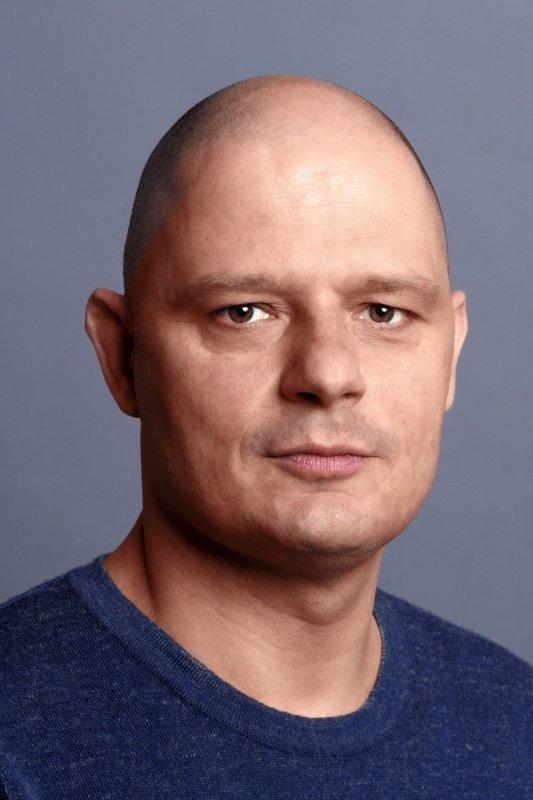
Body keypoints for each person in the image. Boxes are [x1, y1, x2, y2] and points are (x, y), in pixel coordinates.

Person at [0, 74, 530, 799]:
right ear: (123, 356)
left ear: (450, 355)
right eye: (244, 312)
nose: (328, 374)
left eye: (382, 313)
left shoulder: (516, 726)